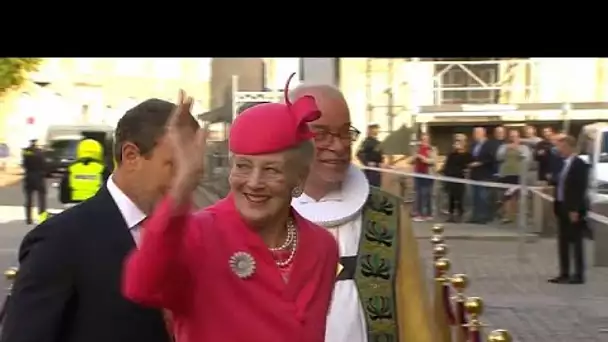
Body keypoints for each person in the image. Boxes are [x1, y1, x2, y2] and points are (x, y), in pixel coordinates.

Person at [122, 80, 339, 342]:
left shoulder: (322, 247)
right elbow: (142, 286)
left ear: (299, 178)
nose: (254, 182)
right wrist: (181, 187)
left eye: (271, 170)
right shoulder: (198, 233)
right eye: (243, 166)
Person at [0, 99, 184, 342]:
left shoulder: (187, 234)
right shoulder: (59, 240)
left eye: (193, 170)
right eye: (174, 166)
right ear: (131, 156)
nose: (185, 181)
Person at [289, 84, 436, 342]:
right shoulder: (262, 213)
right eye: (321, 134)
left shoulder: (388, 214)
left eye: (345, 132)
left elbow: (415, 315)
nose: (338, 146)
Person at [548, 135, 589, 285]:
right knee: (563, 241)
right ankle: (564, 273)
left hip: (573, 208)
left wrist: (575, 209)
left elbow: (579, 188)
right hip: (561, 206)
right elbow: (560, 182)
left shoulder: (579, 164)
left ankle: (578, 274)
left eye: (562, 147)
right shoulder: (562, 163)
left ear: (570, 147)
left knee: (576, 242)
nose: (559, 150)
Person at [58, 138, 111, 205]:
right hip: (97, 206)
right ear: (99, 152)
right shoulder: (103, 170)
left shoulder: (71, 169)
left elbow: (64, 194)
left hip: (74, 207)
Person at [496, 129, 531, 224]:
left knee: (515, 196)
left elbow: (527, 158)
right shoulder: (503, 146)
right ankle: (506, 215)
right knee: (506, 195)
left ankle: (513, 215)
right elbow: (498, 157)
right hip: (506, 173)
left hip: (518, 174)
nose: (513, 138)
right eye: (511, 136)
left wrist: (517, 149)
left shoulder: (524, 147)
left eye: (515, 136)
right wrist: (507, 149)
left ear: (519, 137)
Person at [468, 127, 495, 224]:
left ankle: (484, 216)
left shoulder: (489, 144)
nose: (475, 135)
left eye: (477, 133)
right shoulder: (473, 145)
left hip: (484, 174)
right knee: (474, 196)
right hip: (474, 174)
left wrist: (480, 163)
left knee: (482, 196)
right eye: (474, 133)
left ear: (482, 133)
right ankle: (475, 216)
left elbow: (491, 158)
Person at [441, 140, 472, 223]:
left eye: (458, 144)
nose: (456, 145)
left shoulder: (467, 155)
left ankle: (459, 215)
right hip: (450, 178)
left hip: (459, 178)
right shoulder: (451, 155)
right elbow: (447, 165)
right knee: (451, 197)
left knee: (459, 198)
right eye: (455, 144)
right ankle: (451, 215)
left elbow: (469, 164)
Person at [411, 133, 437, 221]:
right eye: (422, 139)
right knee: (418, 194)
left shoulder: (432, 149)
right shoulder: (417, 149)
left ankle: (427, 214)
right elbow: (410, 161)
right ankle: (419, 214)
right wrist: (415, 157)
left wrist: (424, 159)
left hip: (428, 174)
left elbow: (433, 161)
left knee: (426, 194)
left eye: (426, 139)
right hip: (418, 174)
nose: (424, 141)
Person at [21, 138, 47, 225]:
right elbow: (44, 164)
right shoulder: (40, 152)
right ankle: (42, 218)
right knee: (41, 198)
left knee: (28, 199)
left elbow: (24, 164)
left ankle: (28, 219)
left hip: (29, 176)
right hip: (39, 177)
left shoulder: (26, 152)